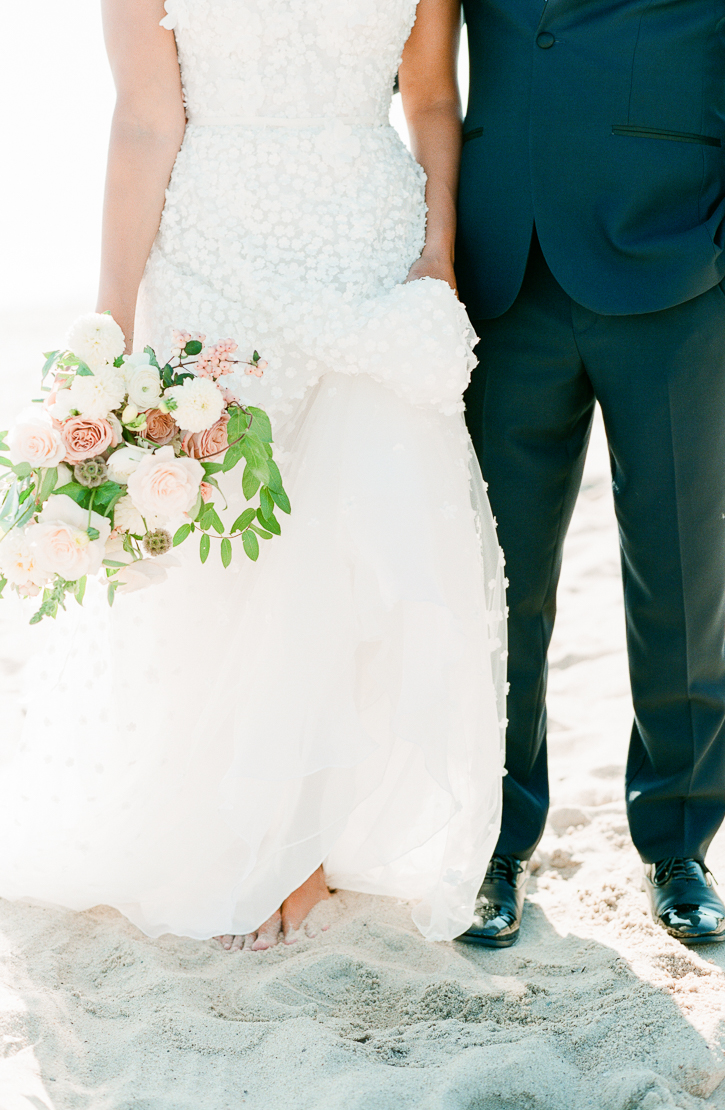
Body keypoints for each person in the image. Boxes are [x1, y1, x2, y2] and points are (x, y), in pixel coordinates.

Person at [0, 0, 507, 951]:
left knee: (360, 540)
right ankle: (256, 835)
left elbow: (433, 99)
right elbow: (147, 117)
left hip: (373, 256)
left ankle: (311, 837)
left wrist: (436, 254)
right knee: (234, 556)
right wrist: (110, 318)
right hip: (214, 260)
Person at [457, 0, 725, 948]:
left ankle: (680, 845)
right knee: (496, 584)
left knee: (680, 575)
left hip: (679, 254)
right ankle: (491, 843)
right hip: (497, 263)